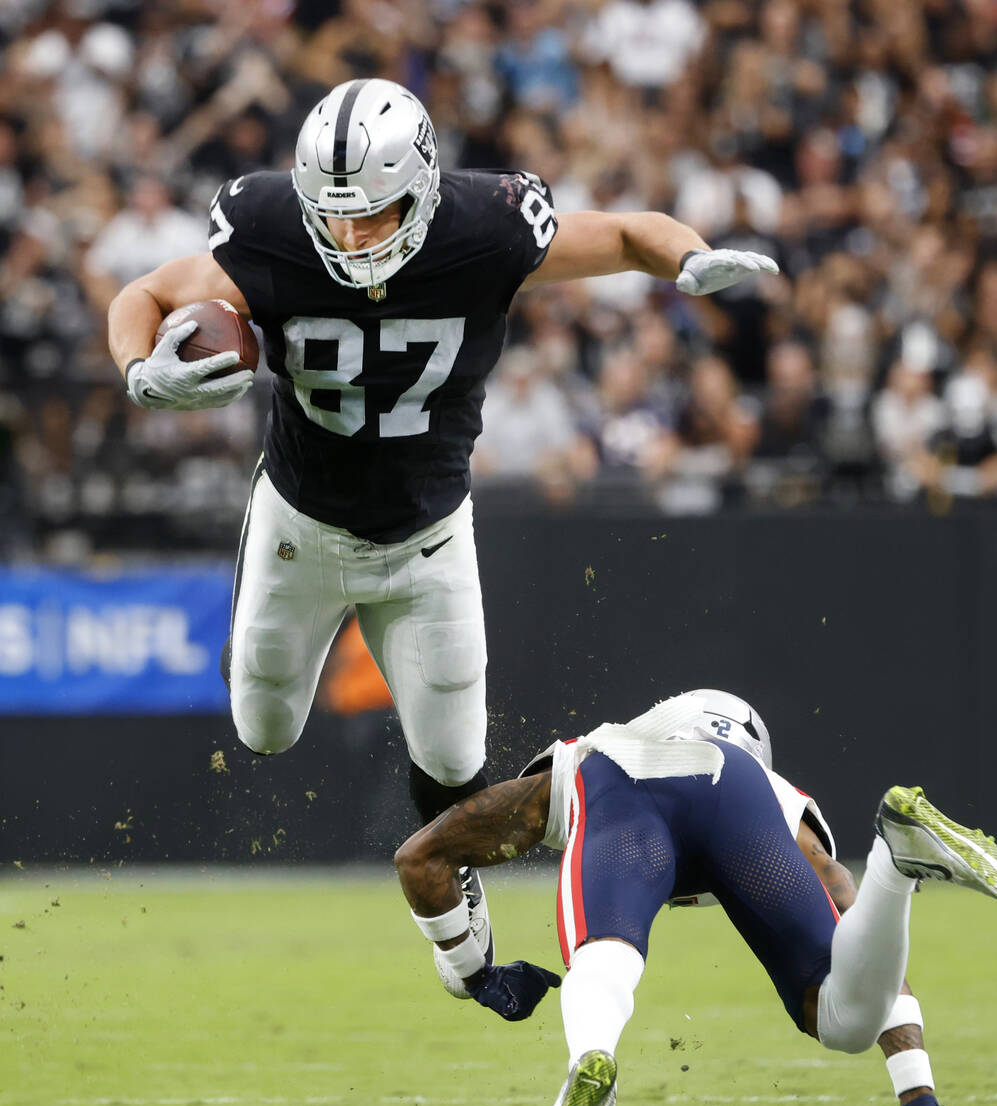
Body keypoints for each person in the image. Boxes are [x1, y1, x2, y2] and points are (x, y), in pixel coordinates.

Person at [104, 78, 779, 985]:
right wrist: (140, 367)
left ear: (421, 190)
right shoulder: (266, 225)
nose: (350, 237)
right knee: (262, 728)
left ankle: (456, 930)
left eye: (373, 216)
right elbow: (143, 293)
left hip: (427, 535)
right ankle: (259, 639)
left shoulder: (487, 227)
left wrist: (688, 260)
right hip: (301, 522)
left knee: (456, 757)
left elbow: (624, 231)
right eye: (332, 218)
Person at [393, 689, 997, 1106]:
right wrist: (917, 1094)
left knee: (604, 955)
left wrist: (477, 976)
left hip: (619, 780)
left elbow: (421, 859)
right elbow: (848, 920)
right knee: (845, 1015)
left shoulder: (590, 753)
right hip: (735, 797)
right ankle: (895, 863)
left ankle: (592, 1060)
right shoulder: (768, 786)